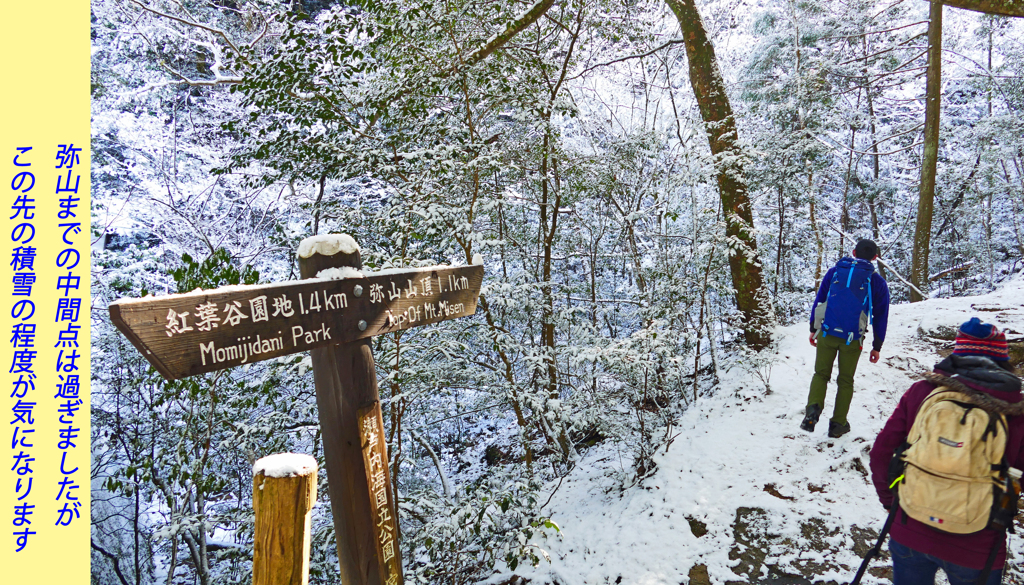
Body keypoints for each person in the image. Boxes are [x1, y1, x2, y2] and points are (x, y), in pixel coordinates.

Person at [868, 319, 1023, 585]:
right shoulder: (1015, 409)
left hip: (910, 526)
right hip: (977, 543)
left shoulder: (923, 391)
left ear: (958, 351)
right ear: (1002, 358)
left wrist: (892, 502)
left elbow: (881, 454)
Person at [801, 239, 890, 438]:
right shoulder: (877, 282)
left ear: (853, 251)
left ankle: (812, 410)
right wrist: (877, 345)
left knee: (820, 374)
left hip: (827, 332)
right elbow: (881, 315)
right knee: (845, 380)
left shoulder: (834, 272)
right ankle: (838, 424)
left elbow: (820, 300)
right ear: (875, 257)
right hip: (852, 339)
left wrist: (813, 328)